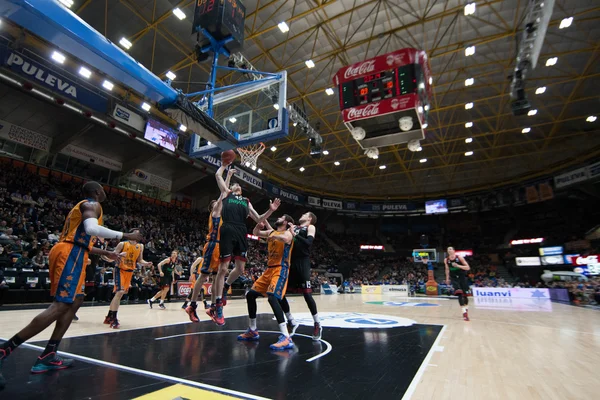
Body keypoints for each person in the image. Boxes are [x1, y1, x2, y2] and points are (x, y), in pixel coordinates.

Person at [0, 181, 141, 390]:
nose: (105, 192)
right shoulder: (91, 204)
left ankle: (48, 354)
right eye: (102, 189)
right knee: (60, 305)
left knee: (76, 299)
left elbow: (84, 239)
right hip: (70, 254)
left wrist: (107, 253)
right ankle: (4, 351)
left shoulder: (86, 209)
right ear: (96, 192)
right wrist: (126, 235)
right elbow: (92, 228)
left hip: (75, 252)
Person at [212, 163, 280, 325]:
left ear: (241, 190)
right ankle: (219, 305)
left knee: (241, 269)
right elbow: (217, 176)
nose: (237, 186)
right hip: (228, 228)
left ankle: (226, 287)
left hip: (241, 231)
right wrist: (225, 167)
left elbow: (258, 219)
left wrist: (270, 211)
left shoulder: (246, 201)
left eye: (238, 186)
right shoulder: (226, 193)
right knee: (223, 268)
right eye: (234, 185)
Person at [184, 168, 235, 322]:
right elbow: (223, 194)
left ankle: (213, 306)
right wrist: (228, 176)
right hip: (212, 246)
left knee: (216, 278)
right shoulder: (215, 213)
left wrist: (229, 177)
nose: (218, 204)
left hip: (221, 247)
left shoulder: (223, 215)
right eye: (216, 203)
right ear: (212, 207)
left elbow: (224, 196)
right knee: (204, 275)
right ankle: (192, 305)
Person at [238, 215, 295, 350]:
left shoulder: (288, 232)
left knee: (272, 297)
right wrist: (259, 225)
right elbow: (256, 233)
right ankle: (253, 329)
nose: (279, 218)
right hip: (269, 269)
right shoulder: (272, 232)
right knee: (250, 295)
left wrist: (271, 233)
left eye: (281, 217)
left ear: (286, 222)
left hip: (281, 269)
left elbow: (285, 238)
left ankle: (286, 337)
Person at [278, 212, 322, 340]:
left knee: (307, 294)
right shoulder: (294, 227)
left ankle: (317, 323)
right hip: (290, 261)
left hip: (303, 261)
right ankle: (290, 320)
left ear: (309, 218)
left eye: (305, 214)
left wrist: (294, 233)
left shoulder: (310, 227)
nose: (301, 215)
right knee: (280, 292)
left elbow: (308, 243)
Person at [104, 229, 152, 328]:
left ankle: (109, 316)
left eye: (138, 234)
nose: (137, 235)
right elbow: (112, 257)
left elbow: (139, 260)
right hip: (120, 269)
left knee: (119, 295)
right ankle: (114, 318)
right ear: (130, 235)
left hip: (129, 272)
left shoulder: (140, 246)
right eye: (135, 233)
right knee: (120, 292)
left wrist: (146, 263)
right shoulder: (122, 244)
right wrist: (120, 255)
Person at [445, 246, 471, 321]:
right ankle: (464, 313)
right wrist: (447, 278)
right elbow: (447, 269)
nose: (449, 250)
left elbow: (468, 267)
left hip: (462, 277)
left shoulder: (459, 258)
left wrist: (458, 265)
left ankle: (466, 309)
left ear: (453, 250)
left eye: (450, 249)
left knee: (465, 295)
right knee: (459, 293)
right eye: (448, 249)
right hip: (454, 278)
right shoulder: (446, 260)